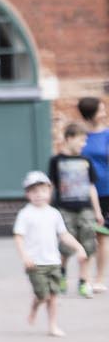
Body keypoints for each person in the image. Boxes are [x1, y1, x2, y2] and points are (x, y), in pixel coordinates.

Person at [17, 170, 86, 337]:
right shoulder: (25, 214)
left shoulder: (54, 214)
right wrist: (24, 256)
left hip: (53, 261)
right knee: (43, 295)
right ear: (28, 194)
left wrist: (79, 248)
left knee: (53, 296)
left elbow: (64, 235)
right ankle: (35, 306)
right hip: (35, 263)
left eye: (42, 190)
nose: (39, 195)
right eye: (34, 191)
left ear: (50, 191)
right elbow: (18, 237)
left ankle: (52, 326)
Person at [48, 123, 104, 298]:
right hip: (65, 208)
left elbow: (91, 187)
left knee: (88, 244)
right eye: (80, 140)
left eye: (84, 141)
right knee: (67, 244)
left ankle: (83, 281)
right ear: (69, 138)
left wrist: (97, 211)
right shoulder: (56, 161)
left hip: (85, 208)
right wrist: (48, 211)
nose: (83, 144)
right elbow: (51, 186)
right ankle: (62, 272)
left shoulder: (85, 161)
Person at [79, 96, 109, 294]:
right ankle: (85, 278)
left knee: (102, 235)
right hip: (85, 191)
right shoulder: (80, 136)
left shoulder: (107, 134)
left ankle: (98, 279)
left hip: (106, 191)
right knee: (86, 236)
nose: (104, 112)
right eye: (101, 109)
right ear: (91, 114)